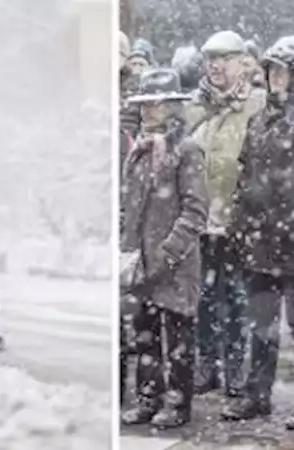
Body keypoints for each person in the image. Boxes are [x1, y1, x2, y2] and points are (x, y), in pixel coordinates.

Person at [222, 36, 294, 430]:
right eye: (270, 70)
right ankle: (257, 394)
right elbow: (245, 178)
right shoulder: (259, 120)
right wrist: (238, 226)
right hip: (260, 240)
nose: (274, 78)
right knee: (261, 323)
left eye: (282, 70)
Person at [120, 68, 209, 430]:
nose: (147, 110)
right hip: (141, 264)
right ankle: (148, 397)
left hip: (175, 265)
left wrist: (169, 251)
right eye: (143, 104)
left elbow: (195, 210)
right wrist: (129, 251)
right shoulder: (140, 152)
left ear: (171, 105)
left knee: (178, 339)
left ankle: (177, 403)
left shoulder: (185, 150)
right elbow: (129, 208)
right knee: (145, 337)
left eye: (154, 103)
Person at [185, 29, 265, 399]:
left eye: (224, 58)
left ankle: (237, 370)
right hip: (202, 221)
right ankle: (207, 366)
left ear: (242, 63)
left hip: (238, 220)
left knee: (236, 299)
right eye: (210, 59)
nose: (215, 66)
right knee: (203, 298)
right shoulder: (198, 107)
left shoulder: (257, 104)